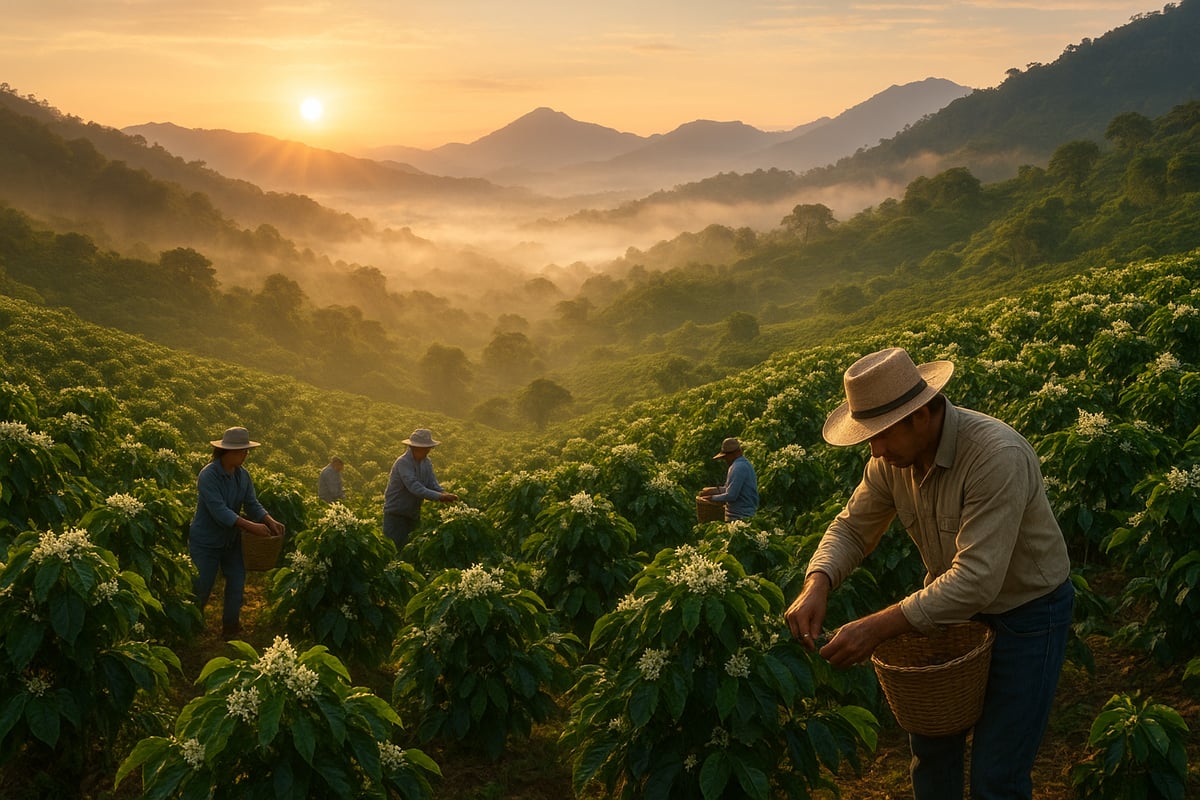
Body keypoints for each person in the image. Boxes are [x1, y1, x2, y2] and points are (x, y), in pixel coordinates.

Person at [784, 347, 1073, 800]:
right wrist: (816, 582)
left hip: (1029, 614)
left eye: (882, 435)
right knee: (932, 752)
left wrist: (876, 627)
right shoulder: (888, 464)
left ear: (922, 414)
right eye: (869, 438)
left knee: (997, 775)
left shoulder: (994, 455)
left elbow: (976, 579)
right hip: (952, 615)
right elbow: (853, 528)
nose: (875, 449)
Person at [188, 426, 286, 638]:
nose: (245, 454)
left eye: (246, 450)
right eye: (242, 450)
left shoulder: (243, 476)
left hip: (231, 541)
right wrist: (253, 527)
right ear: (227, 452)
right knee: (202, 585)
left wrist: (268, 520)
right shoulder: (208, 476)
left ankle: (230, 628)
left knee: (237, 581)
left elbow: (252, 503)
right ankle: (190, 626)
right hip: (206, 541)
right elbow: (220, 512)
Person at [383, 428, 458, 549]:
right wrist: (440, 497)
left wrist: (444, 493)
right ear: (415, 448)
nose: (429, 451)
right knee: (394, 550)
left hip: (412, 514)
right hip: (396, 515)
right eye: (426, 449)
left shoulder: (426, 462)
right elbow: (414, 487)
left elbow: (432, 483)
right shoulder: (403, 462)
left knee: (409, 551)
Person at [698, 436, 759, 521]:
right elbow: (729, 488)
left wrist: (711, 498)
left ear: (734, 454)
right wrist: (714, 490)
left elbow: (731, 495)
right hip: (744, 515)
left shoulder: (738, 467)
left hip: (739, 517)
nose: (725, 460)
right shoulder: (743, 464)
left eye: (726, 457)